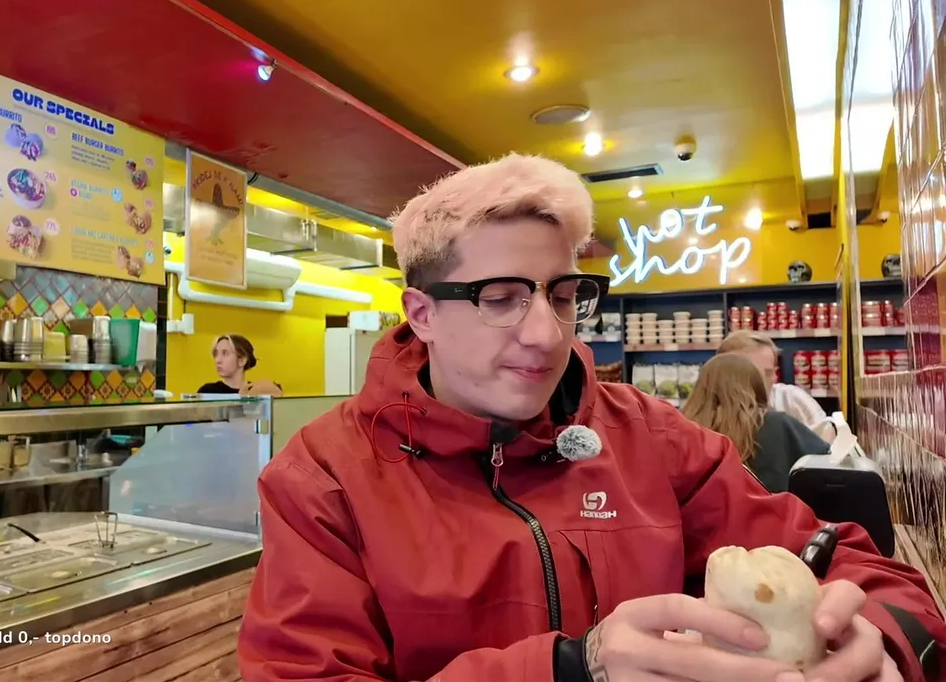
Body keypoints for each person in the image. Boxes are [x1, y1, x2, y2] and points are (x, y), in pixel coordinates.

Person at [237, 153, 944, 682]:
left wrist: (880, 640)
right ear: (421, 314)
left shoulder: (653, 438)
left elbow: (863, 571)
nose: (546, 334)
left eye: (563, 296)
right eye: (501, 298)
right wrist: (573, 669)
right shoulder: (322, 477)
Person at [682, 353, 830, 493]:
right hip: (770, 510)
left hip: (700, 511)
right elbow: (826, 460)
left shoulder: (685, 429)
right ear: (756, 385)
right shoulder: (776, 423)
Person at [719, 330, 837, 442]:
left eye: (767, 373)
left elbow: (828, 448)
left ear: (775, 374)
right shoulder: (710, 411)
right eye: (749, 373)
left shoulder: (793, 401)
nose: (758, 381)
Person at [197, 334, 282, 396]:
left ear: (242, 360)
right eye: (216, 354)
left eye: (225, 353)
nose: (217, 360)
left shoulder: (256, 391)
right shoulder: (207, 391)